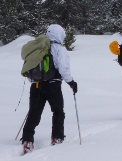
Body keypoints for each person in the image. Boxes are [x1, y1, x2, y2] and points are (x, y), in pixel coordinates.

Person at [21, 24, 78, 153]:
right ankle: (57, 138)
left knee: (34, 112)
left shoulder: (39, 48)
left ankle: (27, 140)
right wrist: (71, 82)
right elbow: (64, 68)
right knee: (58, 112)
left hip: (36, 85)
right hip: (53, 85)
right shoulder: (59, 49)